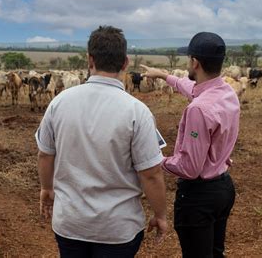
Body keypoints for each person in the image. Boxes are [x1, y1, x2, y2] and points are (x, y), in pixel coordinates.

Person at [36, 26, 168, 257]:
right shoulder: (137, 111)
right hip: (118, 229)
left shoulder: (59, 103)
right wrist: (160, 215)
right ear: (126, 63)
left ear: (90, 60)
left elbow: (45, 154)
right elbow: (151, 174)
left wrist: (46, 188)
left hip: (70, 224)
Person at [141, 32, 239, 258]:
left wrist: (156, 160)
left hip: (199, 196)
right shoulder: (227, 93)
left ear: (195, 62)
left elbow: (189, 167)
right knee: (215, 252)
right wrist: (164, 76)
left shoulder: (198, 109)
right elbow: (192, 88)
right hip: (223, 188)